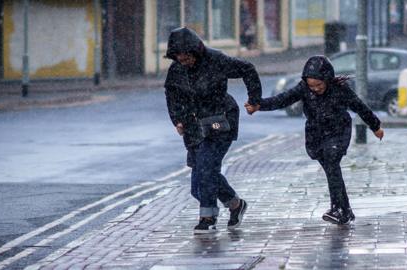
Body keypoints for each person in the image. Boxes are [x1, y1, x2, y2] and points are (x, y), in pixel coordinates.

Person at [245, 55, 384, 225]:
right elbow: (283, 99)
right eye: (312, 86)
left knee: (332, 163)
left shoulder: (341, 89)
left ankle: (337, 209)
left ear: (327, 79)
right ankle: (346, 210)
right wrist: (259, 105)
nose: (315, 89)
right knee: (331, 170)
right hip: (316, 133)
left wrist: (375, 126)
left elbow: (360, 107)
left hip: (338, 130)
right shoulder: (304, 88)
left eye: (319, 85)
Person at [164, 27, 262, 233]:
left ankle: (208, 218)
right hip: (193, 125)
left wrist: (254, 100)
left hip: (220, 120)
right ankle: (236, 204)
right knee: (197, 184)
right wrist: (177, 120)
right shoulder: (176, 70)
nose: (184, 62)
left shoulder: (216, 60)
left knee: (207, 168)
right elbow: (172, 95)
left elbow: (248, 69)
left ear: (195, 51)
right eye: (179, 58)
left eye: (186, 57)